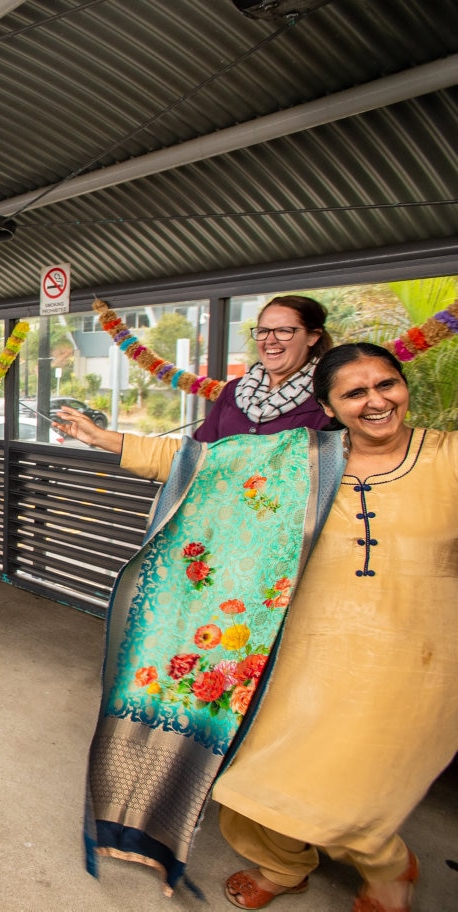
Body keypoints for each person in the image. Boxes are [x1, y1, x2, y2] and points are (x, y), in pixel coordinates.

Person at [61, 342, 456, 912]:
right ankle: (286, 864)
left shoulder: (447, 457)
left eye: (386, 385)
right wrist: (106, 439)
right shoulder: (304, 460)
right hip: (305, 657)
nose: (376, 402)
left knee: (360, 790)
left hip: (412, 665)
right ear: (328, 405)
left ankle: (389, 870)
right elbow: (197, 461)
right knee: (248, 782)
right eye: (355, 392)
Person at [195, 295, 333, 442]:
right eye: (263, 331)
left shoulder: (328, 395)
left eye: (284, 331)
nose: (270, 340)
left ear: (313, 337)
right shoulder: (233, 391)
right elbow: (198, 451)